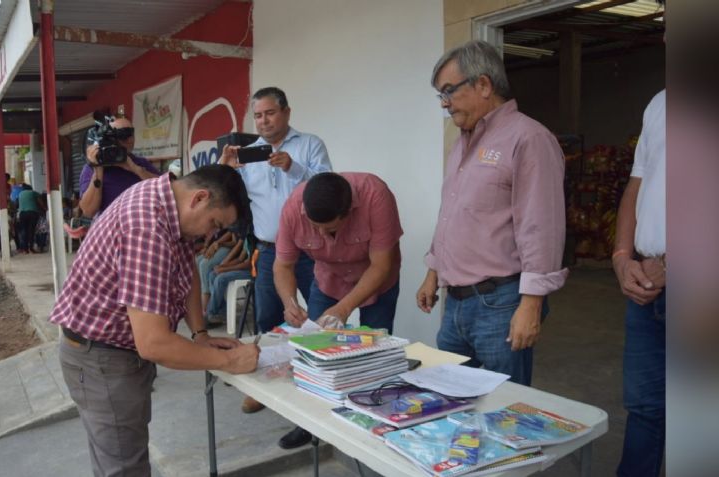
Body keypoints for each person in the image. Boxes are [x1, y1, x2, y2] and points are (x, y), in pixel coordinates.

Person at [50, 165, 258, 477]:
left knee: (119, 459)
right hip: (104, 358)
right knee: (124, 468)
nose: (210, 234)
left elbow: (186, 271)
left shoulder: (168, 205)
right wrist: (228, 360)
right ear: (199, 198)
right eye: (214, 223)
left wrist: (200, 334)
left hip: (110, 353)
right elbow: (154, 343)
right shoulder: (146, 227)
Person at [416, 40, 567, 387]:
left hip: (501, 304)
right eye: (440, 95)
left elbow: (541, 227)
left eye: (449, 91)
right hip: (455, 302)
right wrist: (433, 271)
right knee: (448, 398)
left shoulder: (529, 138)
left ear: (483, 85)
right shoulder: (462, 142)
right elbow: (452, 213)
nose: (444, 103)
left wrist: (531, 305)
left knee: (504, 409)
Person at [218, 86, 333, 425]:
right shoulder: (249, 153)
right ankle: (264, 386)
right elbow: (226, 198)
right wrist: (226, 169)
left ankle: (319, 385)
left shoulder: (310, 144)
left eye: (269, 113)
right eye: (257, 115)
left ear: (286, 113)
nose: (263, 120)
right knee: (269, 321)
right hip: (269, 251)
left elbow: (327, 186)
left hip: (312, 250)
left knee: (320, 319)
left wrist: (294, 169)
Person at [274, 171, 404, 447]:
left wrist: (343, 309)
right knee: (313, 354)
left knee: (373, 356)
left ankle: (369, 421)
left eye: (330, 228)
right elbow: (283, 265)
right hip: (328, 280)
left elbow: (381, 265)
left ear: (348, 213)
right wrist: (289, 302)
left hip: (376, 281)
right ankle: (308, 424)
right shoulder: (292, 208)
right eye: (315, 226)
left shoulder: (375, 195)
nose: (321, 234)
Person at [611, 87, 666, 477]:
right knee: (646, 407)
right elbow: (637, 184)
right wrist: (621, 257)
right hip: (646, 282)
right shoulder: (660, 103)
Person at [78, 117, 160, 217]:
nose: (130, 139)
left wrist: (136, 170)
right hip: (113, 229)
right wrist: (98, 169)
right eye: (123, 135)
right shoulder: (91, 167)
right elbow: (88, 211)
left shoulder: (139, 162)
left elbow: (164, 189)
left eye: (131, 134)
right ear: (109, 138)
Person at [16, 184, 41, 254]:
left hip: (22, 214)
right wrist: (45, 208)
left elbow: (17, 204)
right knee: (31, 231)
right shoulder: (33, 192)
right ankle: (31, 248)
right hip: (32, 213)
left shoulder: (20, 194)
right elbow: (40, 201)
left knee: (24, 231)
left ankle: (25, 249)